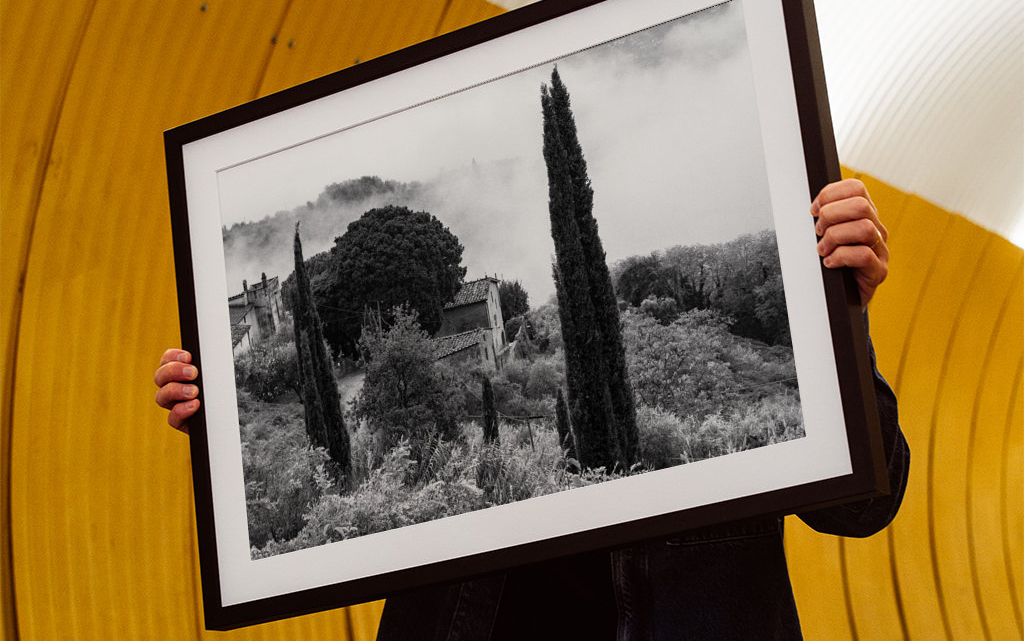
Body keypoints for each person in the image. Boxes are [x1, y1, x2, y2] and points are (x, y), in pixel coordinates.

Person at [155, 179, 908, 640]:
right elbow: (348, 476)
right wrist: (227, 431)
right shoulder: (445, 420)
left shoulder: (736, 356)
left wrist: (838, 319)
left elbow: (865, 505)